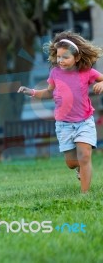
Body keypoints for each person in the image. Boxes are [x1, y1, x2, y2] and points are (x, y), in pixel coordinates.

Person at [18, 31, 103, 193]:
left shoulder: (87, 72)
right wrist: (33, 92)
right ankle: (79, 169)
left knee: (85, 156)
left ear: (76, 58)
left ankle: (84, 194)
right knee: (71, 163)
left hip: (84, 121)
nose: (61, 61)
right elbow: (50, 92)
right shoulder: (55, 73)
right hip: (64, 124)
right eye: (59, 57)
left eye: (65, 57)